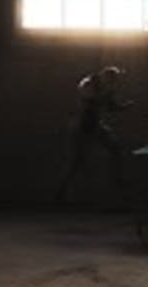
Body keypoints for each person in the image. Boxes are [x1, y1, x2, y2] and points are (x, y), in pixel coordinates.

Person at [56, 66, 135, 201]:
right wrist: (107, 96)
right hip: (81, 127)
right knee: (75, 162)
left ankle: (118, 181)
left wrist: (124, 106)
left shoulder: (107, 88)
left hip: (95, 126)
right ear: (106, 77)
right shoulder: (88, 83)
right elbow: (90, 100)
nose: (115, 82)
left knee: (116, 149)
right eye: (113, 79)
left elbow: (110, 107)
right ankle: (61, 192)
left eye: (115, 80)